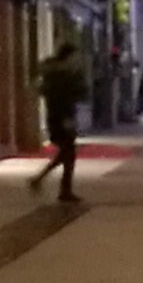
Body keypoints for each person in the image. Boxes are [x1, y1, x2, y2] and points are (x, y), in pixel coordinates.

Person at [39, 39, 90, 201]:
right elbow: (61, 99)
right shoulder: (60, 77)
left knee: (67, 153)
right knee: (68, 152)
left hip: (60, 117)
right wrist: (65, 118)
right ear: (68, 57)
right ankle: (62, 189)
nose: (77, 60)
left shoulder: (62, 74)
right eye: (75, 57)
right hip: (60, 118)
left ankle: (46, 181)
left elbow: (80, 93)